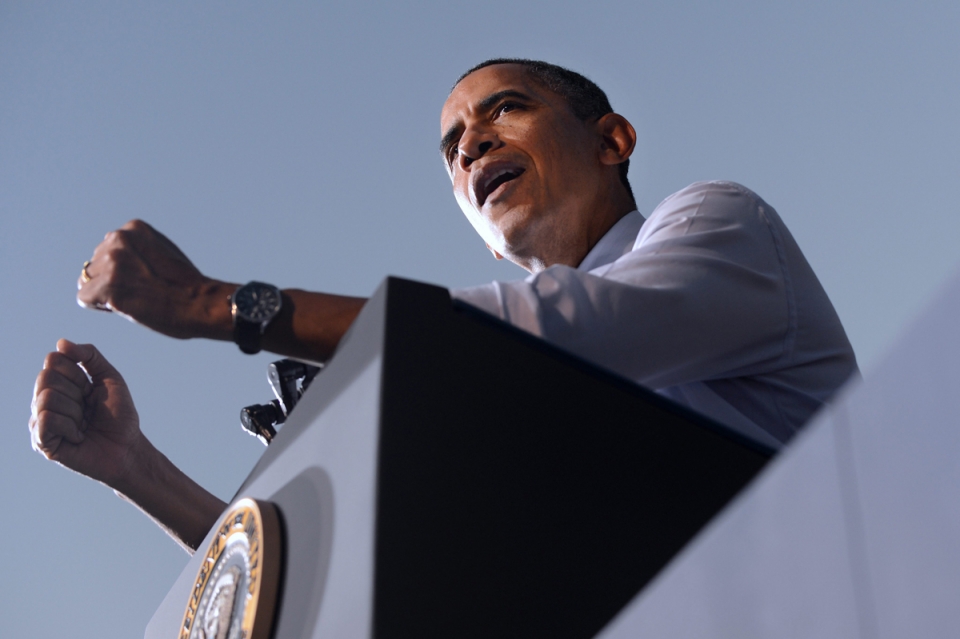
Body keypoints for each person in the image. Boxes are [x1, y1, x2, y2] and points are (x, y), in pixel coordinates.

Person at [28, 59, 857, 552]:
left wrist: (210, 303)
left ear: (612, 140)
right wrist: (134, 469)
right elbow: (322, 590)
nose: (472, 144)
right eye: (453, 146)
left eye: (506, 108)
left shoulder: (719, 224)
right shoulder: (498, 393)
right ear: (483, 237)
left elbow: (564, 334)